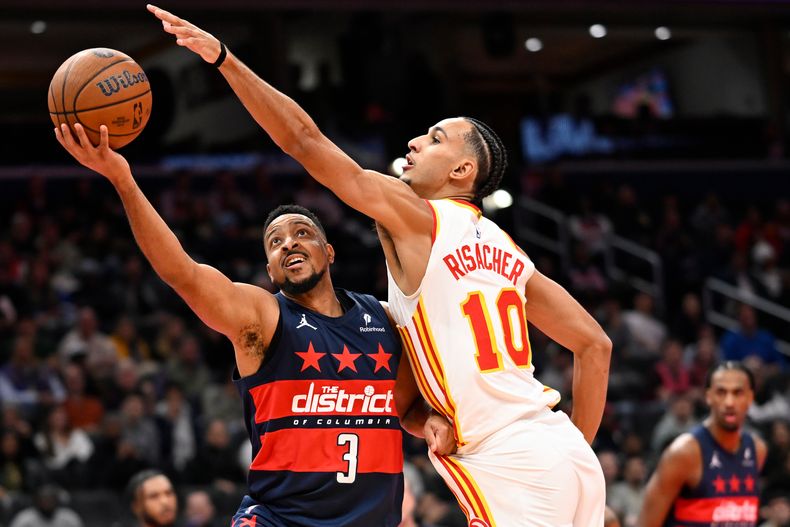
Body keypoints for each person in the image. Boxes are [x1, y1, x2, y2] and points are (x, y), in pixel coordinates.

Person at [147, 5, 612, 525]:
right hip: (561, 447)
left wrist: (225, 59)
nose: (415, 142)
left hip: (509, 458)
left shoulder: (419, 218)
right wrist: (572, 452)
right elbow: (595, 345)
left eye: (435, 138)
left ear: (462, 170)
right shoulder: (509, 250)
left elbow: (304, 141)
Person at [54, 123, 454, 527]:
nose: (289, 243)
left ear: (329, 252)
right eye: (275, 242)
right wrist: (123, 180)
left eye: (302, 233)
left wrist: (431, 421)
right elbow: (182, 273)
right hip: (280, 519)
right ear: (270, 270)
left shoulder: (382, 318)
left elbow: (407, 409)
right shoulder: (262, 318)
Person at [638, 362, 766, 527]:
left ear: (750, 397)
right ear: (708, 396)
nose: (729, 402)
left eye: (738, 393)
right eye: (721, 392)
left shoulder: (757, 450)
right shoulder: (683, 452)